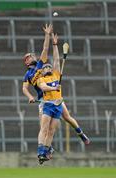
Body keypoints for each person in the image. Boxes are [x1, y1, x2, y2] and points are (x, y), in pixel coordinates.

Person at [22, 24, 90, 161]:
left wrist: (48, 36)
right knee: (45, 128)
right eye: (29, 56)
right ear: (26, 61)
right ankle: (46, 149)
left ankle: (80, 133)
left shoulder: (41, 65)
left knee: (67, 117)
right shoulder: (28, 75)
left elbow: (45, 49)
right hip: (44, 100)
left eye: (32, 55)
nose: (33, 56)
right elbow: (24, 88)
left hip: (56, 98)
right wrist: (30, 97)